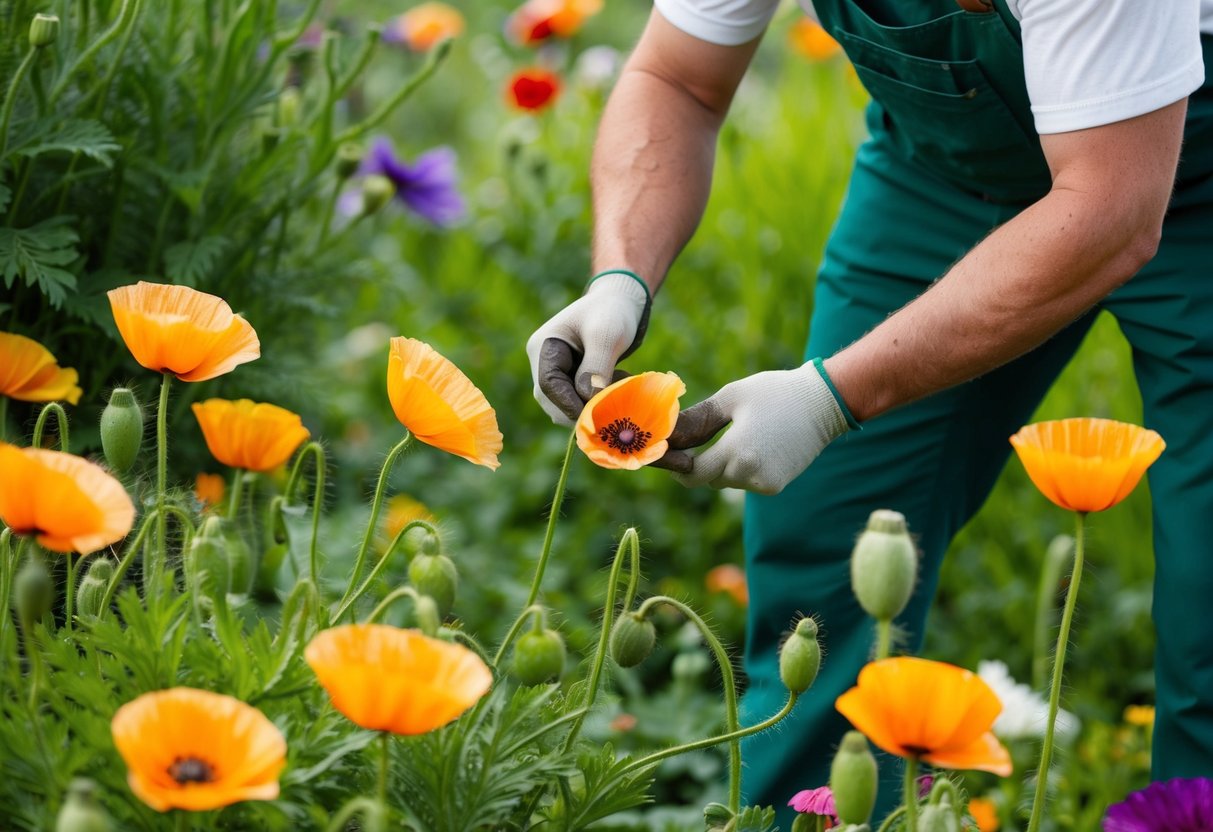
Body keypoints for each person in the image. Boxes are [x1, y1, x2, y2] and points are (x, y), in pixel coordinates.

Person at [526, 0, 1213, 821]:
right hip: (946, 171)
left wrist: (830, 396)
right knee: (828, 539)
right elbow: (676, 78)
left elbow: (1110, 208)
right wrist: (620, 278)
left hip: (1180, 172)